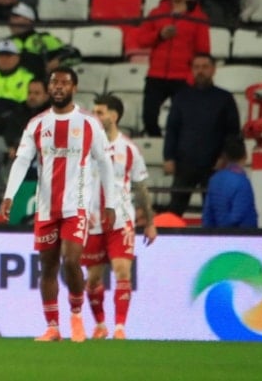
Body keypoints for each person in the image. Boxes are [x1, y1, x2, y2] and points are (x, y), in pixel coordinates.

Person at [0, 67, 118, 343]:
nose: (58, 87)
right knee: (48, 266)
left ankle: (76, 316)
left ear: (74, 88)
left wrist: (110, 203)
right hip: (46, 207)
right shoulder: (37, 123)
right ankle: (53, 327)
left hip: (76, 205)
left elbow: (104, 163)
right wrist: (9, 195)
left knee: (72, 260)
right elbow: (22, 160)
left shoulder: (89, 123)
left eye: (64, 83)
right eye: (54, 83)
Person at [83, 94, 157, 341]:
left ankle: (120, 328)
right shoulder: (84, 148)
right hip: (93, 222)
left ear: (114, 116)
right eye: (94, 112)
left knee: (122, 271)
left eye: (100, 112)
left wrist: (150, 223)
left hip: (121, 220)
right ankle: (101, 324)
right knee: (93, 279)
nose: (95, 117)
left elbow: (141, 188)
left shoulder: (129, 149)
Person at [163, 53, 240, 217]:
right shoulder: (181, 97)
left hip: (214, 164)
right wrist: (168, 157)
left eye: (205, 67)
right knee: (175, 209)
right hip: (184, 163)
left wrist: (225, 156)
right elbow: (172, 129)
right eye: (196, 67)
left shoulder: (225, 98)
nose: (200, 71)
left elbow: (233, 131)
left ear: (213, 70)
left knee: (215, 210)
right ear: (191, 70)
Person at [137, 0, 210, 137]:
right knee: (149, 118)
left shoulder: (198, 17)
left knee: (182, 120)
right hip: (156, 75)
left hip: (183, 77)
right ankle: (158, 145)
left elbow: (203, 50)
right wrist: (159, 35)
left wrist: (193, 75)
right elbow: (141, 40)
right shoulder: (157, 13)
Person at [202, 135, 257, 228]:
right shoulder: (242, 182)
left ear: (225, 156)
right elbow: (237, 216)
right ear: (245, 155)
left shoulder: (214, 180)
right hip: (241, 234)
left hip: (217, 233)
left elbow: (207, 214)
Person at [5, 2, 66, 80]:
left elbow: (73, 53)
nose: (11, 21)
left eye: (16, 17)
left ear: (29, 20)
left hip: (39, 84)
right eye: (10, 18)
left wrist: (58, 60)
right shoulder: (5, 43)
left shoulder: (44, 39)